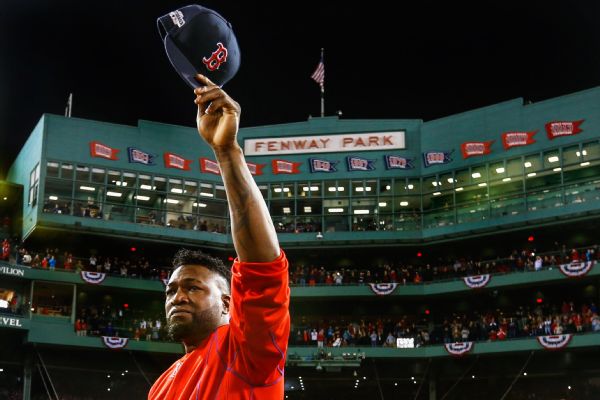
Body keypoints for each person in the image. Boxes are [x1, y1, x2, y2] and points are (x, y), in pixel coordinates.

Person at [148, 74, 290, 400]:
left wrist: (226, 151)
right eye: (172, 290)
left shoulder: (245, 350)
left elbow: (263, 269)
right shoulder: (161, 386)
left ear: (228, 303)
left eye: (193, 287)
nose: (177, 297)